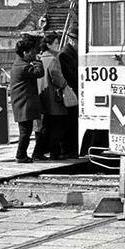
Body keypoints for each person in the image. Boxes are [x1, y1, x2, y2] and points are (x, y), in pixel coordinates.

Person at [9, 35, 44, 163]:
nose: (34, 54)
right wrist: (38, 62)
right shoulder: (23, 66)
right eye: (32, 52)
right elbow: (39, 73)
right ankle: (21, 155)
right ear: (25, 52)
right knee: (25, 132)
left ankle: (22, 155)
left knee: (26, 131)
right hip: (24, 104)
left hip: (22, 104)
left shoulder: (19, 64)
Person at [35, 32, 71, 160]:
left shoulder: (40, 59)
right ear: (48, 45)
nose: (58, 45)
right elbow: (57, 78)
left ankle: (38, 152)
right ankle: (55, 152)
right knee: (57, 126)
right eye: (55, 43)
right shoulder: (53, 60)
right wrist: (66, 85)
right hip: (54, 98)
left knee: (46, 126)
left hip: (43, 96)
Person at [58, 29, 80, 158]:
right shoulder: (65, 54)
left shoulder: (72, 53)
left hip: (75, 91)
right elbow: (70, 76)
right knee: (70, 122)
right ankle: (68, 150)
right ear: (72, 40)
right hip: (71, 92)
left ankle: (72, 150)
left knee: (73, 122)